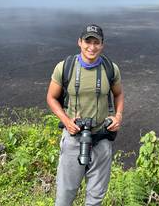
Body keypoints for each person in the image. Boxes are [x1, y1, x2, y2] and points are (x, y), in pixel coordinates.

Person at [46, 24, 124, 206]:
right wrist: (66, 121)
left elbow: (118, 94)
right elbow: (51, 97)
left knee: (96, 196)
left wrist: (118, 116)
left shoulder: (110, 68)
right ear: (79, 42)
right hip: (74, 138)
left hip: (101, 138)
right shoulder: (65, 67)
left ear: (102, 45)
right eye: (88, 41)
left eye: (96, 42)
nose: (92, 47)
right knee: (65, 194)